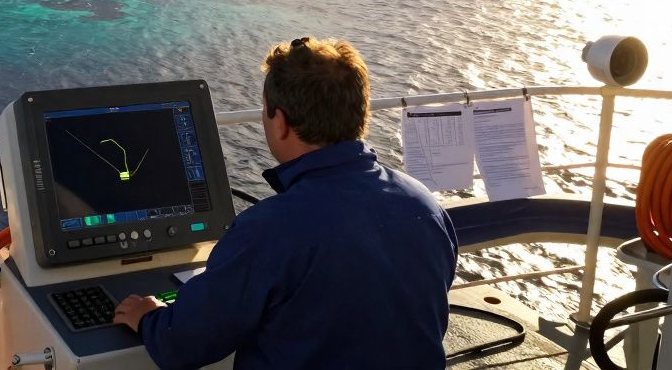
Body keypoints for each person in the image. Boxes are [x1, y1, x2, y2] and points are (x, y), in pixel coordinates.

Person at [113, 37, 458, 369]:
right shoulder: (426, 205)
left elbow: (183, 345)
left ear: (280, 122)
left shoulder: (269, 229)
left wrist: (150, 317)